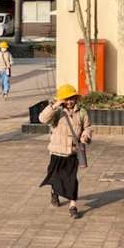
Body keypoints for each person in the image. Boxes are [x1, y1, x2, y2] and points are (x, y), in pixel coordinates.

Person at [39, 84, 92, 219]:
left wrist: (85, 136)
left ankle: (73, 206)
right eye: (66, 99)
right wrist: (55, 105)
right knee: (55, 178)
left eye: (72, 98)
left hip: (72, 152)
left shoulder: (82, 112)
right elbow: (42, 119)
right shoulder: (57, 111)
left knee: (71, 179)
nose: (69, 102)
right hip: (57, 152)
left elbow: (87, 127)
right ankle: (54, 193)